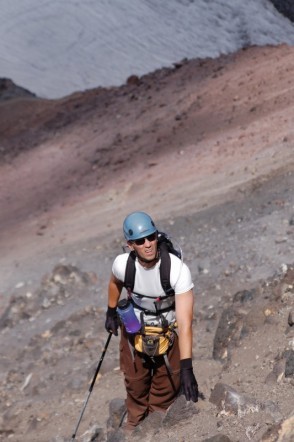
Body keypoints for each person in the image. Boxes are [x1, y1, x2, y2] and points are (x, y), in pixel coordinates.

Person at [105, 211, 198, 430]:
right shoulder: (122, 265)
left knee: (166, 386)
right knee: (135, 384)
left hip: (169, 334)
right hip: (133, 331)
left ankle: (154, 426)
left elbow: (185, 324)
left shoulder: (176, 270)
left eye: (151, 237)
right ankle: (134, 425)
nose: (148, 244)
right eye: (140, 241)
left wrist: (187, 368)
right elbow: (113, 284)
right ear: (130, 245)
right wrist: (110, 312)